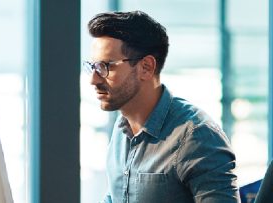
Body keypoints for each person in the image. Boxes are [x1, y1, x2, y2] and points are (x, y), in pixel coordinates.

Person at [84, 11, 240, 203]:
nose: (93, 79)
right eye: (93, 66)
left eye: (105, 66)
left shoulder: (196, 136)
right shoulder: (121, 128)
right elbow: (116, 196)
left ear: (146, 67)